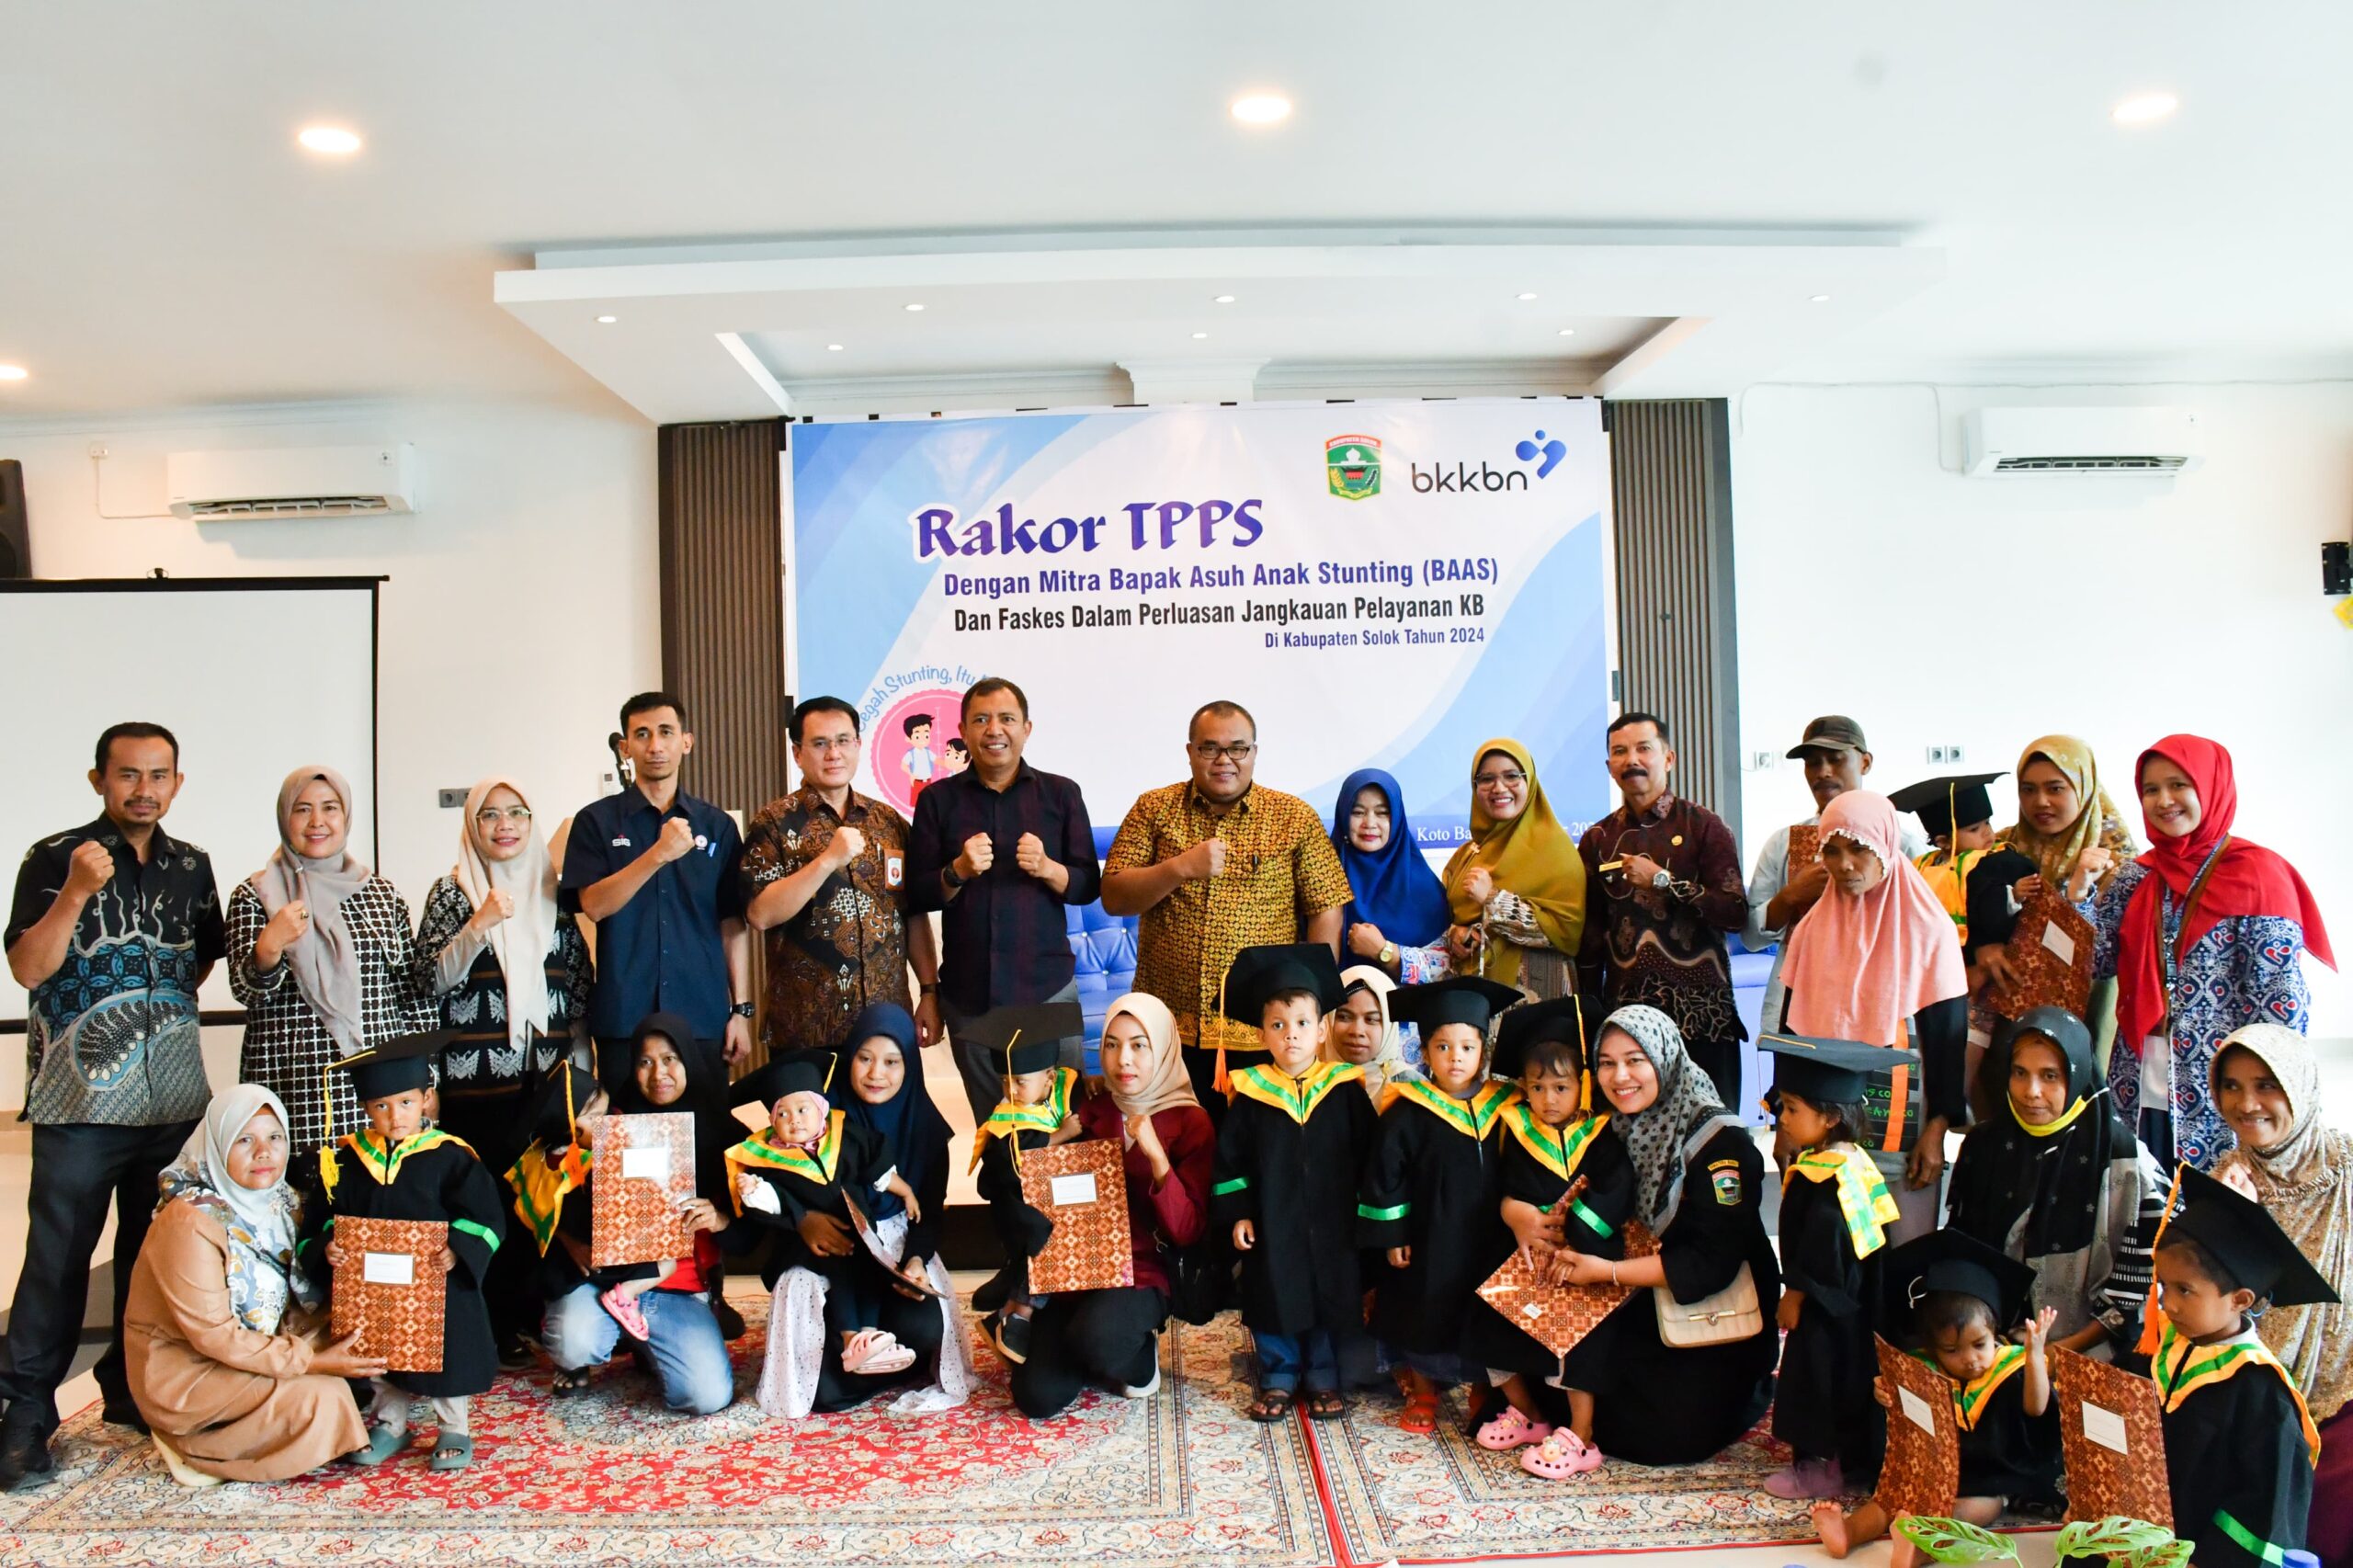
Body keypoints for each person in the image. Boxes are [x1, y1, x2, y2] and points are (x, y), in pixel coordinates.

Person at [0, 722, 227, 1486]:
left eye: (159, 775)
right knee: (57, 1265)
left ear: (178, 783)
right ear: (98, 779)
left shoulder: (192, 867)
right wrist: (75, 893)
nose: (144, 789)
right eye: (128, 775)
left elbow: (192, 969)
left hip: (170, 1104)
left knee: (149, 1258)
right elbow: (31, 968)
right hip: (81, 1104)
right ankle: (26, 1415)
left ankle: (129, 1390)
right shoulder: (54, 856)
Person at [2082, 735, 2334, 1171]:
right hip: (2137, 1080)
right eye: (2150, 789)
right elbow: (2094, 961)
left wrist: (2270, 1099)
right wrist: (2080, 892)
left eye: (2179, 785)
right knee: (2144, 1205)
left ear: (2211, 786)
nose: (2164, 801)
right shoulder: (2137, 876)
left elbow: (2281, 1003)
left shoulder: (2257, 875)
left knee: (2214, 1215)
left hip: (2225, 1091)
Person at [1546, 1005, 1780, 1467]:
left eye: (1636, 1059)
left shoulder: (1720, 1146)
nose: (1620, 1077)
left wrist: (1608, 1272)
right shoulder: (1617, 1128)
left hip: (1710, 1308)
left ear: (1666, 1056)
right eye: (1607, 1062)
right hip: (1643, 1296)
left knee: (1663, 1438)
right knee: (1559, 1392)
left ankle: (1749, 1390)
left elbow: (1710, 1263)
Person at [411, 775, 591, 1363]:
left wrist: (584, 1075)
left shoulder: (553, 891)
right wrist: (479, 924)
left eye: (517, 813)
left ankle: (526, 1320)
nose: (505, 825)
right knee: (478, 1210)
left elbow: (578, 990)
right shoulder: (452, 893)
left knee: (534, 1207)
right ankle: (481, 1326)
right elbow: (428, 983)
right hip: (474, 1089)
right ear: (472, 826)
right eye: (490, 815)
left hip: (542, 1087)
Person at [121, 1085, 380, 1486]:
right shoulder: (189, 1223)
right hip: (192, 1370)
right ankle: (197, 1445)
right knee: (323, 1398)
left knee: (364, 1339)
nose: (264, 1152)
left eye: (275, 1137)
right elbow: (214, 1336)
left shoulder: (282, 1200)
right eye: (245, 1139)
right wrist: (311, 1362)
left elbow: (300, 1293)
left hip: (257, 1342)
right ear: (217, 1146)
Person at [1101, 701, 1351, 1108]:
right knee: (1176, 1146)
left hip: (1265, 1025)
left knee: (1254, 1149)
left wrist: (1312, 1000)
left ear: (1254, 752)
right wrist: (1180, 867)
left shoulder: (1293, 817)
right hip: (1169, 1026)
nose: (1224, 761)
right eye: (1209, 748)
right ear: (1190, 752)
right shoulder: (1153, 809)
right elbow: (1113, 896)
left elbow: (1325, 906)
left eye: (1237, 748)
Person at [301, 1031, 506, 1471]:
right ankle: (390, 1423)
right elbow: (321, 1215)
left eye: (407, 1103)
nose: (396, 1116)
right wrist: (327, 1246)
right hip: (373, 1285)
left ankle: (453, 1426)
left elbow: (485, 1215)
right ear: (365, 1109)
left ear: (427, 1099)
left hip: (438, 1281)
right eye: (382, 1106)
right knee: (378, 1352)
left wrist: (458, 1247)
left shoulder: (451, 1156)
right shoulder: (347, 1159)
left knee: (445, 1356)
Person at [1008, 992, 1214, 1418]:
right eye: (1112, 1044)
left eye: (1140, 1045)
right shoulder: (1091, 1109)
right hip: (1079, 1268)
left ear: (1163, 1049)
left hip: (1143, 1272)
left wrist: (1157, 1158)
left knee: (1097, 1337)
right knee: (1036, 1397)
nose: (1124, 1060)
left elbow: (1188, 1230)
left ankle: (1135, 1355)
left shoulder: (1189, 1121)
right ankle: (1094, 1347)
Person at [1775, 789, 1970, 1235]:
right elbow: (1790, 1033)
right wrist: (1783, 1120)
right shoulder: (1812, 931)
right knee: (1831, 1248)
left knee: (1902, 1254)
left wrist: (1936, 1129)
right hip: (1823, 1118)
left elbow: (1947, 1040)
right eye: (1833, 851)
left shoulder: (1928, 930)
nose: (1845, 865)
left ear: (1886, 846)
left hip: (1903, 1122)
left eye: (1860, 849)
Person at [521, 1017, 738, 1415]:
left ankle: (647, 1345)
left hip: (679, 1286)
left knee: (706, 1396)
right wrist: (570, 1241)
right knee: (574, 1342)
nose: (659, 1075)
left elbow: (752, 1220)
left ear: (689, 1059)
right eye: (645, 1062)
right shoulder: (603, 1119)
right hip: (604, 1279)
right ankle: (597, 1352)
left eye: (671, 1059)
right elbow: (542, 1188)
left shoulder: (722, 1128)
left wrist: (721, 1217)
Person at [906, 677, 1101, 1120]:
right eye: (981, 719)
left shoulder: (1061, 793)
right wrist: (956, 871)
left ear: (1027, 728)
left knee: (1063, 1123)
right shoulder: (938, 800)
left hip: (1047, 988)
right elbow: (916, 893)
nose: (994, 729)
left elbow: (1089, 885)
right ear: (964, 730)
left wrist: (1050, 869)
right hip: (969, 994)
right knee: (993, 1124)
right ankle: (1006, 1194)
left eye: (1006, 719)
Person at [1811, 1230, 2059, 1562]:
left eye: (1979, 1344)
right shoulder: (1924, 1369)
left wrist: (2034, 1354)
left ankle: (1917, 1549)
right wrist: (1886, 1396)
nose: (1969, 1358)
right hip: (1927, 1473)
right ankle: (1848, 1532)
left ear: (1995, 1333)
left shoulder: (2012, 1366)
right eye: (1952, 1349)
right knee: (1890, 1498)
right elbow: (1899, 1424)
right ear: (1932, 1347)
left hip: (1986, 1478)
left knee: (1975, 1510)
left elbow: (2037, 1406)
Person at [1464, 996, 1634, 1477]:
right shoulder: (1515, 1129)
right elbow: (1499, 1187)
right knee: (1487, 1320)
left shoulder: (1600, 1134)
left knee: (1579, 1339)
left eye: (1561, 1086)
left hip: (1583, 1259)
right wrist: (1511, 1209)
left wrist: (1582, 1230)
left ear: (1582, 1084)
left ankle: (1582, 1435)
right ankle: (1531, 1415)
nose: (1549, 1098)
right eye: (1537, 1087)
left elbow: (1617, 1190)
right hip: (1526, 1255)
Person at [228, 765, 435, 1157]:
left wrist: (428, 1081)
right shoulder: (254, 895)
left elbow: (414, 992)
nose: (317, 821)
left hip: (378, 1091)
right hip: (293, 1084)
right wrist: (269, 947)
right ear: (284, 817)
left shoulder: (380, 894)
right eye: (302, 809)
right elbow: (246, 993)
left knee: (379, 1208)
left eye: (330, 808)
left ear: (346, 816)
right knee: (305, 1209)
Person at [1211, 943, 1375, 1423]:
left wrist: (1368, 1211)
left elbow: (1370, 1156)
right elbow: (1230, 1161)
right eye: (1278, 1026)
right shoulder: (1252, 1093)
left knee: (1330, 1293)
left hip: (1333, 1220)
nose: (1291, 1036)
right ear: (1263, 1034)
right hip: (1273, 1220)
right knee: (1273, 1293)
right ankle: (1280, 1373)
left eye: (1303, 1024)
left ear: (1322, 1028)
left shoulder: (1345, 1090)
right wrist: (1239, 1211)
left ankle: (1323, 1374)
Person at [1945, 1007, 2164, 1359]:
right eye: (2020, 1073)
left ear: (2076, 1076)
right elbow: (1961, 1256)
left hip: (2088, 1357)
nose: (2031, 1092)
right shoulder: (1985, 1146)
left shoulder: (2122, 1157)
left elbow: (2136, 1291)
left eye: (2050, 1076)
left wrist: (2052, 1356)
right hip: (1988, 1354)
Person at [726, 1057, 943, 1412]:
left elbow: (879, 1170)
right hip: (812, 1250)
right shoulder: (766, 1157)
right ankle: (850, 1338)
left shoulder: (845, 1136)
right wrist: (753, 1190)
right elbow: (771, 1202)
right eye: (783, 1114)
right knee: (841, 1277)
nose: (794, 1119)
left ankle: (871, 1338)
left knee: (870, 1274)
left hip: (860, 1232)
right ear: (771, 1122)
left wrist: (905, 1191)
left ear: (823, 1110)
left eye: (803, 1109)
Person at [2211, 1025, 2353, 1562]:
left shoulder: (2350, 1166)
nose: (2246, 1105)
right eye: (2231, 1086)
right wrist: (2233, 1225)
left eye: (2267, 1084)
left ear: (2299, 1085)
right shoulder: (2222, 1184)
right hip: (2255, 1398)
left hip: (2346, 1389)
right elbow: (2201, 1316)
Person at [560, 693, 753, 1083]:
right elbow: (594, 906)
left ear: (686, 741)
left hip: (701, 1014)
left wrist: (741, 1011)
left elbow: (733, 924)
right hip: (624, 1016)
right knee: (624, 1138)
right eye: (642, 735)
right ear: (626, 747)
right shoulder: (595, 822)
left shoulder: (717, 827)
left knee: (706, 1136)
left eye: (666, 732)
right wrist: (658, 854)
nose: (655, 746)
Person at [1358, 975, 1521, 1436]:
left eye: (1467, 1048)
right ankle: (1424, 1387)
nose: (1456, 1058)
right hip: (1428, 1237)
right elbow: (1384, 1178)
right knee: (1421, 1311)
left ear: (1483, 1053)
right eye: (1443, 1047)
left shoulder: (1505, 1105)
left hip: (1487, 1237)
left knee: (1483, 1312)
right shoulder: (1408, 1109)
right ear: (1425, 1052)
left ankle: (1481, 1388)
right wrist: (1393, 1236)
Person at [2151, 1165, 2336, 1568]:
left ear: (2240, 1300)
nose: (2169, 1304)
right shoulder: (2172, 1348)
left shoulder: (2260, 1389)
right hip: (2149, 1537)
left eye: (2185, 1290)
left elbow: (2264, 1505)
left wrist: (2205, 1559)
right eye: (2164, 1286)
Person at [743, 696, 940, 1057]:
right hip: (807, 1028)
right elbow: (760, 913)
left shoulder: (889, 822)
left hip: (887, 1026)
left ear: (858, 746)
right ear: (798, 753)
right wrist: (825, 862)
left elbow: (911, 915)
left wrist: (930, 991)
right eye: (820, 744)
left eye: (843, 740)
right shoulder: (772, 823)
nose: (833, 753)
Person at [1759, 1035, 1908, 1501]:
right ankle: (1857, 1460)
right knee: (1852, 1377)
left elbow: (1823, 1247)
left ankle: (1821, 1469)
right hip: (1857, 1305)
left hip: (1825, 1308)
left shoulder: (1822, 1179)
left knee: (1817, 1381)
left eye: (1792, 1109)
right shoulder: (1855, 1163)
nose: (1781, 1119)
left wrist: (1795, 1296)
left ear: (1830, 1118)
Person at [1574, 713, 1746, 1106]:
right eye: (1619, 752)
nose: (1631, 759)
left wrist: (1664, 883)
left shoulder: (1705, 826)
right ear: (1609, 767)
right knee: (1635, 1141)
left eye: (1643, 749)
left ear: (1668, 759)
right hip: (1628, 1025)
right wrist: (1591, 1018)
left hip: (1703, 1019)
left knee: (1713, 1137)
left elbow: (1734, 912)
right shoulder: (1598, 839)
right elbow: (1590, 939)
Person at [1743, 716, 1926, 1033]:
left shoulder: (1901, 845)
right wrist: (1789, 897)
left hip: (1879, 1009)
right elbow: (1750, 936)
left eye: (1836, 760)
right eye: (1813, 764)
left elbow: (1928, 936)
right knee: (1796, 1085)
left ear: (1865, 763)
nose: (1823, 772)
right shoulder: (1785, 843)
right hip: (1800, 1008)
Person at [1976, 737, 2137, 1056]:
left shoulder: (2118, 862)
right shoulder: (2001, 847)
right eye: (2028, 789)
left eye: (2055, 788)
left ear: (2083, 787)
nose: (2041, 802)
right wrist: (1984, 942)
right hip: (2008, 1013)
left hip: (2090, 1008)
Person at [1441, 738, 1586, 1001]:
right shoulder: (1467, 854)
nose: (1498, 788)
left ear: (1529, 782)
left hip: (1535, 998)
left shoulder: (1554, 848)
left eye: (1511, 776)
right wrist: (1456, 933)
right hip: (1475, 998)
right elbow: (1448, 916)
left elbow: (1566, 931)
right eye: (1486, 779)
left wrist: (1493, 899)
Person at [1331, 768, 1454, 984]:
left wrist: (1384, 951)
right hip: (1337, 1013)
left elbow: (1445, 967)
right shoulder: (1322, 877)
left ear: (1397, 818)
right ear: (1343, 815)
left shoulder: (1423, 887)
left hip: (1408, 1013)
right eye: (1358, 812)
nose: (1369, 823)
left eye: (1382, 813)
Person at [1324, 965, 1420, 1100]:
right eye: (1344, 1017)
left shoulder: (1412, 1088)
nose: (1357, 1031)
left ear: (1389, 1026)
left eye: (1372, 1019)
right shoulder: (1304, 1081)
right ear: (1328, 1019)